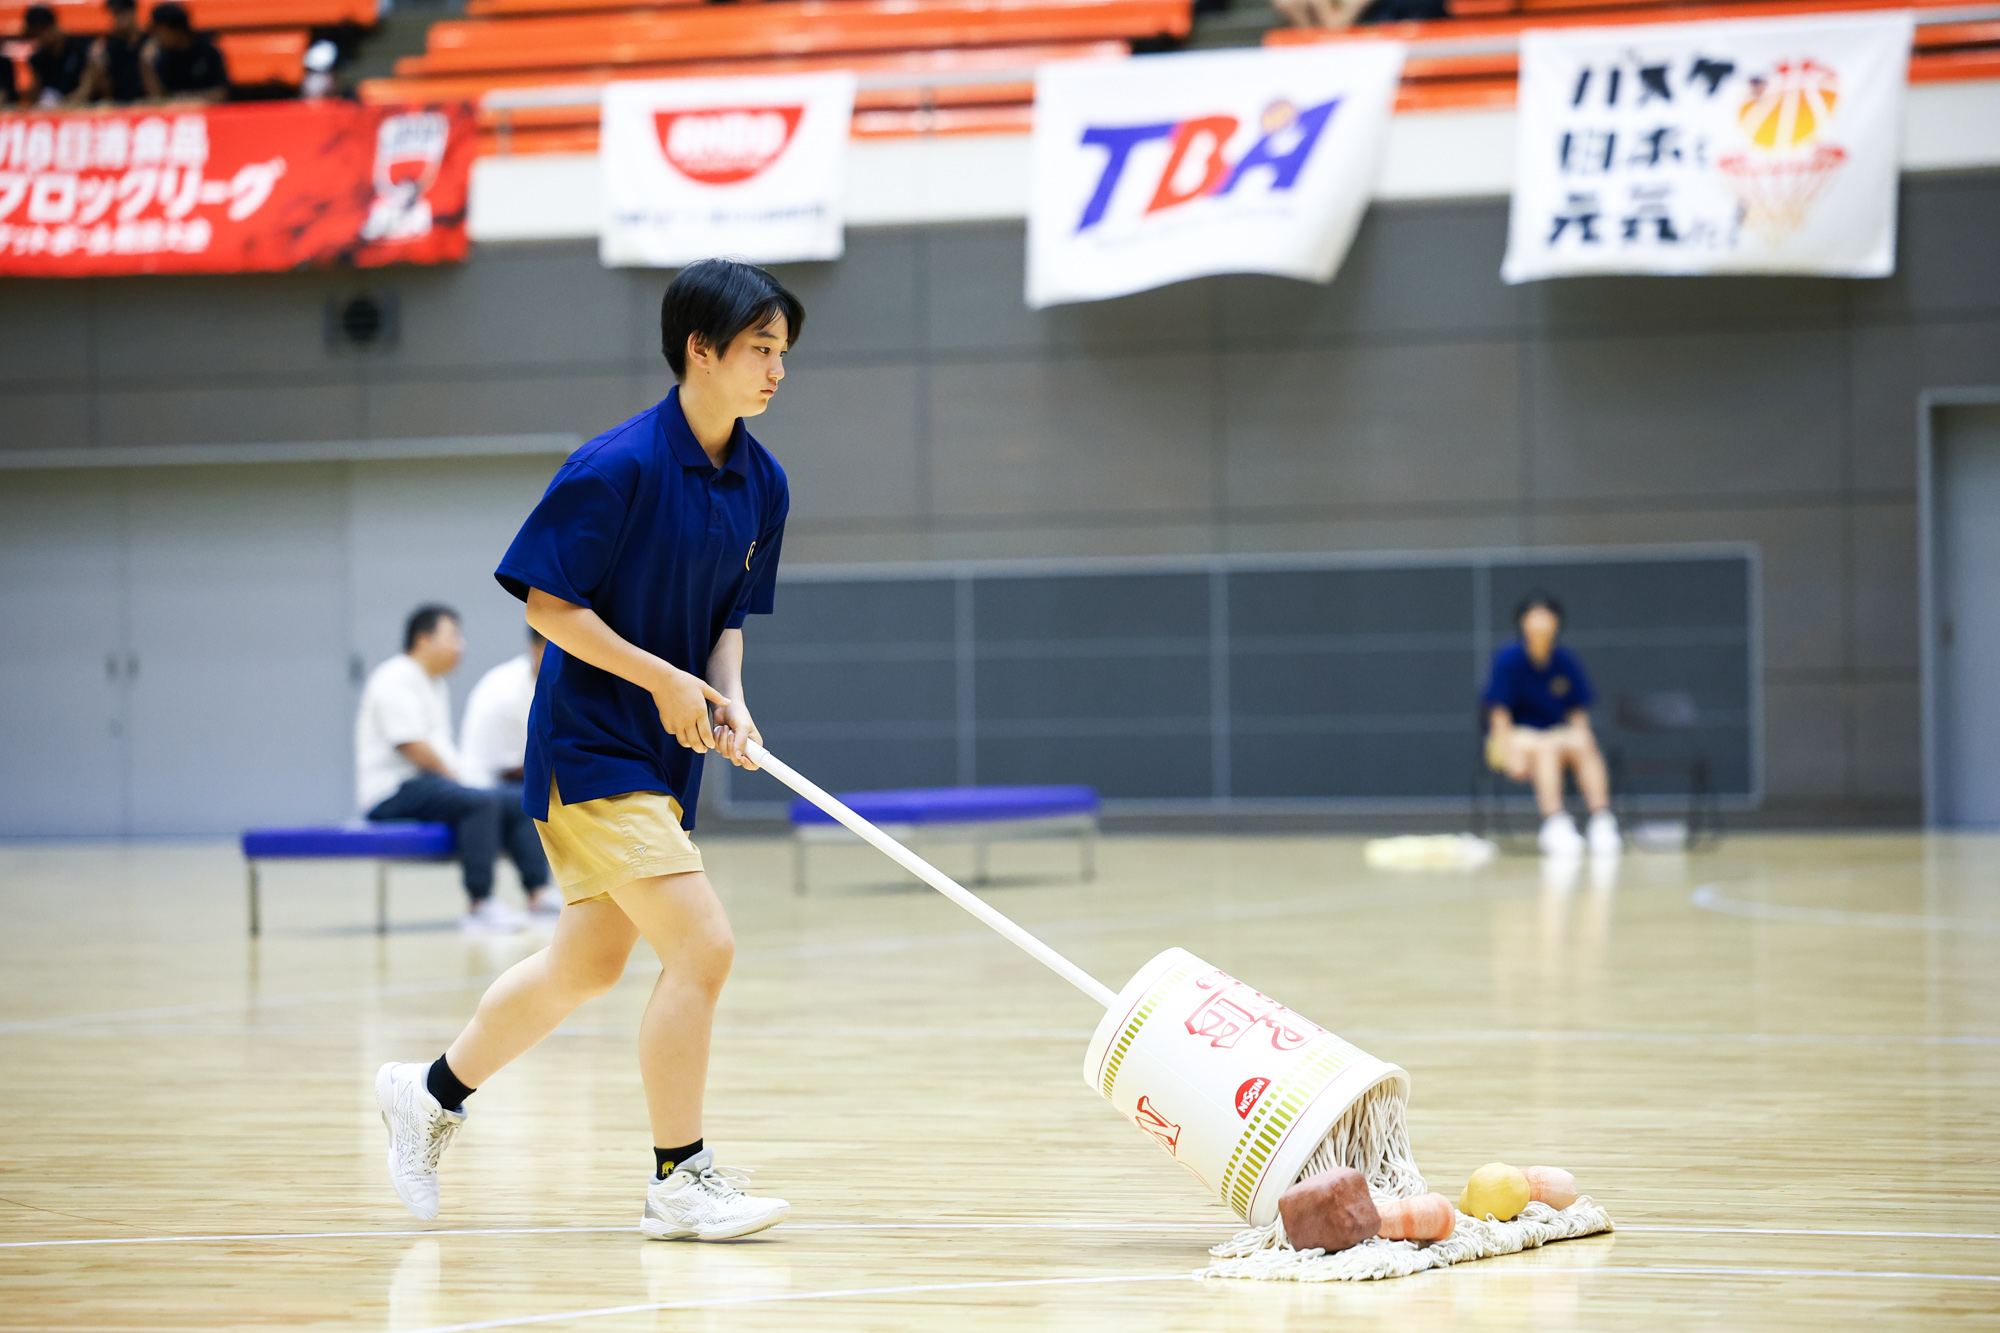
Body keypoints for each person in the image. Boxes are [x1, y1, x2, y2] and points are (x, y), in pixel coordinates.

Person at [373, 259, 799, 1243]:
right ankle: (677, 1179)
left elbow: (728, 619)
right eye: (759, 350)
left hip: (666, 753)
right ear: (700, 350)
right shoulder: (616, 467)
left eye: (784, 353)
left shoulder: (762, 482)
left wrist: (731, 700)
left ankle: (428, 1092)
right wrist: (659, 678)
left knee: (584, 965)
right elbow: (548, 604)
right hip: (590, 745)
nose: (777, 371)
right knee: (703, 943)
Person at [355, 604, 553, 933]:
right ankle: (480, 903)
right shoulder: (396, 676)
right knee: (480, 801)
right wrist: (463, 784)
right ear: (422, 639)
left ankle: (537, 894)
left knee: (518, 801)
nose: (461, 645)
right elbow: (413, 746)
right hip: (391, 792)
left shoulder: (433, 684)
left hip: (425, 789)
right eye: (453, 636)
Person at [1482, 593, 1621, 857]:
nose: (1540, 624)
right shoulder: (1509, 659)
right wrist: (1509, 753)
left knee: (1582, 741)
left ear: (1557, 623)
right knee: (1545, 746)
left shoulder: (1564, 660)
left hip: (1555, 734)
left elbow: (1577, 711)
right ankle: (1555, 822)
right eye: (1534, 618)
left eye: (1546, 617)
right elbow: (1498, 714)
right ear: (1522, 623)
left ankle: (1602, 820)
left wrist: (1582, 738)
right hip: (1517, 735)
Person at [459, 628, 564, 918]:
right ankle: (488, 902)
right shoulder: (506, 689)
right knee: (529, 802)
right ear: (536, 647)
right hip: (485, 782)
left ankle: (540, 892)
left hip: (512, 780)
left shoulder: (550, 683)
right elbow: (510, 766)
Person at [140, 2, 226, 104]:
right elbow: (158, 99)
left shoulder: (208, 53)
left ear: (176, 30)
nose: (156, 37)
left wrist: (185, 99)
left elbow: (221, 94)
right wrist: (146, 65)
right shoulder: (165, 57)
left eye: (159, 31)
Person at [20, 6, 90, 107]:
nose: (39, 39)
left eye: (40, 33)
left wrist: (71, 103)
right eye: (35, 35)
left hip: (80, 106)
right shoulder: (38, 58)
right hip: (51, 107)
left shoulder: (81, 47)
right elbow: (34, 94)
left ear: (52, 27)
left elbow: (87, 85)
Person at [82, 0, 146, 104]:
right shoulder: (112, 45)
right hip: (118, 105)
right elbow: (108, 90)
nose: (116, 20)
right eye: (114, 14)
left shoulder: (148, 42)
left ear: (132, 13)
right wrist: (96, 67)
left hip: (147, 105)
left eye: (120, 14)